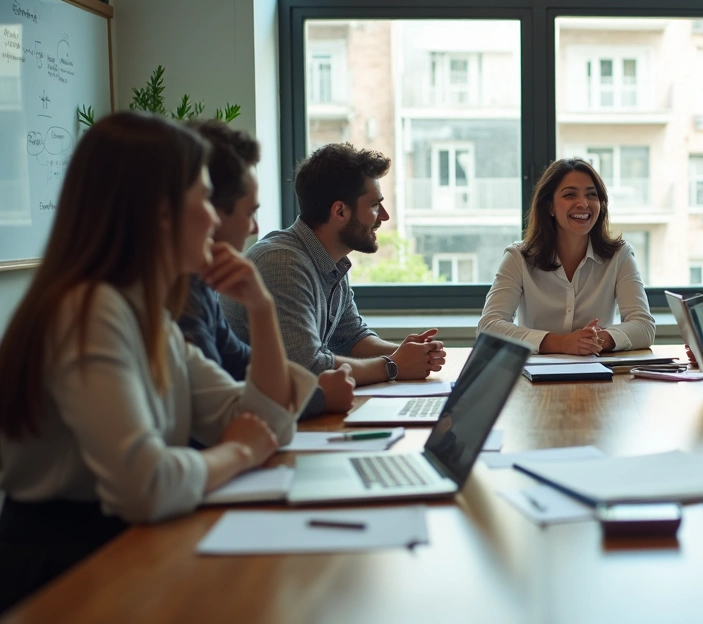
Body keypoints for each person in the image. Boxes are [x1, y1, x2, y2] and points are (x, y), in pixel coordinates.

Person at [0, 112, 317, 610]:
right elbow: (145, 485)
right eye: (202, 198)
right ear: (161, 213)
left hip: (120, 550)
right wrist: (240, 452)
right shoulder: (90, 310)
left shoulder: (147, 316)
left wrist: (262, 309)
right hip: (64, 575)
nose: (214, 218)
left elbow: (265, 419)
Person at [222, 143, 445, 386]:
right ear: (339, 211)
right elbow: (307, 369)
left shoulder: (331, 260)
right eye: (374, 205)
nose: (384, 216)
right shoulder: (281, 263)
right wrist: (393, 366)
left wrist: (410, 354)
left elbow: (352, 338)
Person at [179, 121, 355, 417]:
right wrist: (319, 397)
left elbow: (241, 368)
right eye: (250, 212)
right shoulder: (280, 262)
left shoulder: (196, 289)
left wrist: (261, 306)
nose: (256, 228)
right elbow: (226, 412)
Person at [478, 158, 655, 354]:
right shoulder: (518, 257)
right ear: (550, 207)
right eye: (570, 195)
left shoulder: (620, 255)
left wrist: (595, 340)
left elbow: (644, 326)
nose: (583, 203)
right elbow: (488, 327)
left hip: (598, 376)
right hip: (535, 378)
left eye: (592, 195)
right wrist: (561, 343)